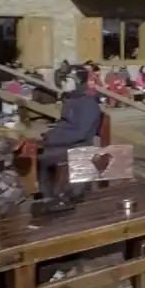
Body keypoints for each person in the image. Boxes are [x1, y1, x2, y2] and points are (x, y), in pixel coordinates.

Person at [38, 67, 102, 198]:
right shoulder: (72, 100)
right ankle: (48, 193)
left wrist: (52, 138)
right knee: (38, 154)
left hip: (80, 147)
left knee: (44, 158)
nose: (63, 83)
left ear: (77, 82)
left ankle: (55, 195)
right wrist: (51, 133)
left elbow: (80, 133)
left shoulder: (87, 103)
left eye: (67, 80)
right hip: (70, 144)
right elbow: (66, 125)